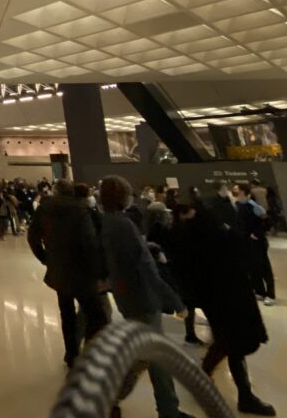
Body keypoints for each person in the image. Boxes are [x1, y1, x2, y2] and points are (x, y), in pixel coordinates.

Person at [170, 198, 276, 415]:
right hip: (229, 298)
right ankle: (243, 396)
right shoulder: (211, 232)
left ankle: (206, 379)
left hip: (219, 299)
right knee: (232, 344)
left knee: (227, 343)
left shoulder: (190, 234)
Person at [99, 176, 194, 418]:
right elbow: (146, 269)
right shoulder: (123, 224)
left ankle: (166, 407)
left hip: (127, 295)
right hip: (141, 298)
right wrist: (174, 301)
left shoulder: (107, 222)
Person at [27, 179, 109, 369]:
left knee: (67, 314)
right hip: (82, 272)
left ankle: (71, 354)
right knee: (98, 315)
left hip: (59, 270)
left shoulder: (45, 209)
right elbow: (89, 243)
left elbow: (32, 237)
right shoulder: (80, 210)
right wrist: (99, 271)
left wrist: (45, 258)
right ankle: (89, 355)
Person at [234, 183, 276, 305]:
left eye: (237, 190)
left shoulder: (253, 206)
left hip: (257, 242)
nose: (235, 192)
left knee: (264, 267)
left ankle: (270, 294)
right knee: (253, 267)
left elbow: (266, 221)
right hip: (247, 242)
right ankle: (260, 291)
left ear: (243, 192)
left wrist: (257, 234)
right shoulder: (239, 206)